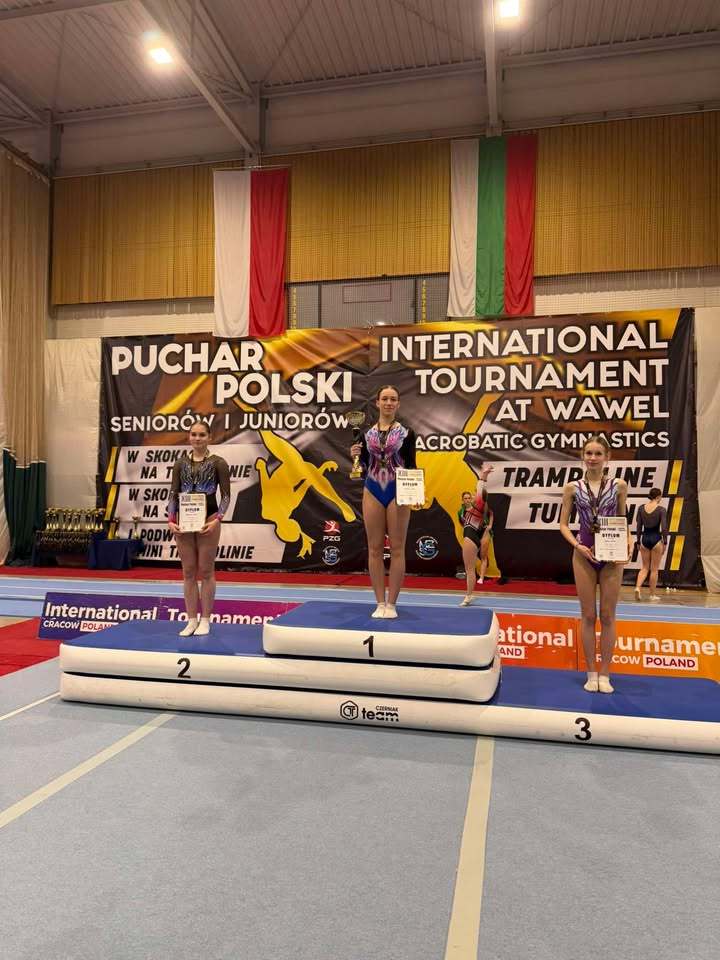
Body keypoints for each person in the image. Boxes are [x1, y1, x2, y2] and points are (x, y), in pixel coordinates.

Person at [559, 435, 630, 694]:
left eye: (598, 453)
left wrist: (628, 542)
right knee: (588, 616)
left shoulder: (619, 485)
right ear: (582, 456)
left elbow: (622, 518)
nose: (592, 458)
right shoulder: (572, 487)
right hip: (584, 554)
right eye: (588, 453)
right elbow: (563, 525)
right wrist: (577, 545)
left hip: (611, 555)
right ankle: (590, 672)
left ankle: (605, 674)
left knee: (608, 616)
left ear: (607, 457)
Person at [350, 385, 416, 619]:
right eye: (385, 399)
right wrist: (355, 456)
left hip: (398, 491)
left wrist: (414, 493)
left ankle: (392, 604)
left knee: (397, 548)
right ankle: (379, 602)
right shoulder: (366, 434)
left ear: (398, 404)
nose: (389, 403)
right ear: (377, 403)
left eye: (393, 399)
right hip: (373, 489)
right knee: (375, 548)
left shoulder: (407, 433)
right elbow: (363, 466)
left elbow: (411, 465)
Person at [167, 421, 231, 637]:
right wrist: (171, 519)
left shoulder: (218, 463)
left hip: (208, 518)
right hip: (184, 522)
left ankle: (205, 619)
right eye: (193, 434)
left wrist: (217, 520)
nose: (197, 438)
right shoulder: (180, 463)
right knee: (188, 571)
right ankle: (191, 619)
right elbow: (173, 493)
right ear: (189, 437)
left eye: (202, 434)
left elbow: (226, 496)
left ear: (209, 437)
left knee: (206, 570)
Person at [459, 467, 494, 606]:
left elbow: (480, 487)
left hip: (470, 538)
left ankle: (468, 596)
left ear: (480, 498)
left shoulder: (479, 506)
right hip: (472, 537)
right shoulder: (474, 508)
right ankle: (469, 595)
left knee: (469, 570)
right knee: (470, 569)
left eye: (475, 495)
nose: (473, 496)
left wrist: (483, 475)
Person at [634, 487, 668, 602]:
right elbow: (664, 528)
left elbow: (639, 527)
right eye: (661, 496)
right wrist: (665, 542)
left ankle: (637, 587)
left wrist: (638, 541)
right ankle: (652, 595)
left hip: (644, 539)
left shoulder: (641, 508)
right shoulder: (661, 510)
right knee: (654, 570)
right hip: (656, 539)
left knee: (644, 568)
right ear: (658, 497)